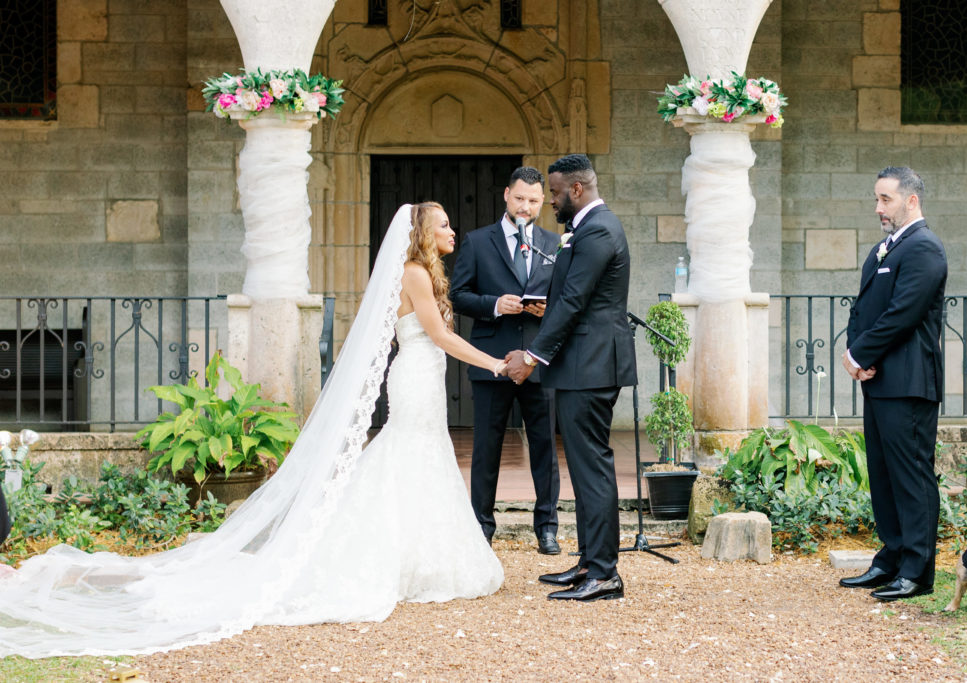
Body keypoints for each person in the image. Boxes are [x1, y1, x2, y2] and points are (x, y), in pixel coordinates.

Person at [0, 202, 505, 657]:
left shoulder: (425, 272)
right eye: (443, 224)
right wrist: (496, 364)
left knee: (425, 453)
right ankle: (402, 558)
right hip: (417, 374)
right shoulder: (414, 272)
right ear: (421, 232)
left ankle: (423, 555)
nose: (452, 230)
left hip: (427, 375)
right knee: (407, 451)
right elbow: (438, 336)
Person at [505, 154, 637, 602]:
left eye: (556, 193)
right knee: (583, 468)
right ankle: (588, 563)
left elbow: (577, 300)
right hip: (582, 361)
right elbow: (572, 293)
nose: (551, 202)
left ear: (577, 189)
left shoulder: (599, 228)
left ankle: (605, 574)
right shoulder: (584, 229)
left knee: (593, 468)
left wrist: (533, 355)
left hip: (593, 362)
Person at [838, 166, 947, 602]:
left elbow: (902, 314)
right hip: (879, 381)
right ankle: (892, 558)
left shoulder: (925, 249)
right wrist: (854, 352)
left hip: (909, 383)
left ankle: (917, 571)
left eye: (886, 199)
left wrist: (859, 355)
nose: (878, 208)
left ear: (911, 201)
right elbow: (864, 308)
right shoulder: (885, 248)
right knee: (882, 475)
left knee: (911, 476)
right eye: (877, 199)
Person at [450, 166, 562, 555]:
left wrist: (547, 312)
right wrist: (495, 305)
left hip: (540, 362)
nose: (526, 207)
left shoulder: (554, 243)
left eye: (533, 201)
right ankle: (482, 526)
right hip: (490, 359)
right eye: (520, 199)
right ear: (505, 195)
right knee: (486, 450)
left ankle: (547, 527)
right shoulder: (478, 242)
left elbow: (567, 299)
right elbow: (457, 295)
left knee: (546, 450)